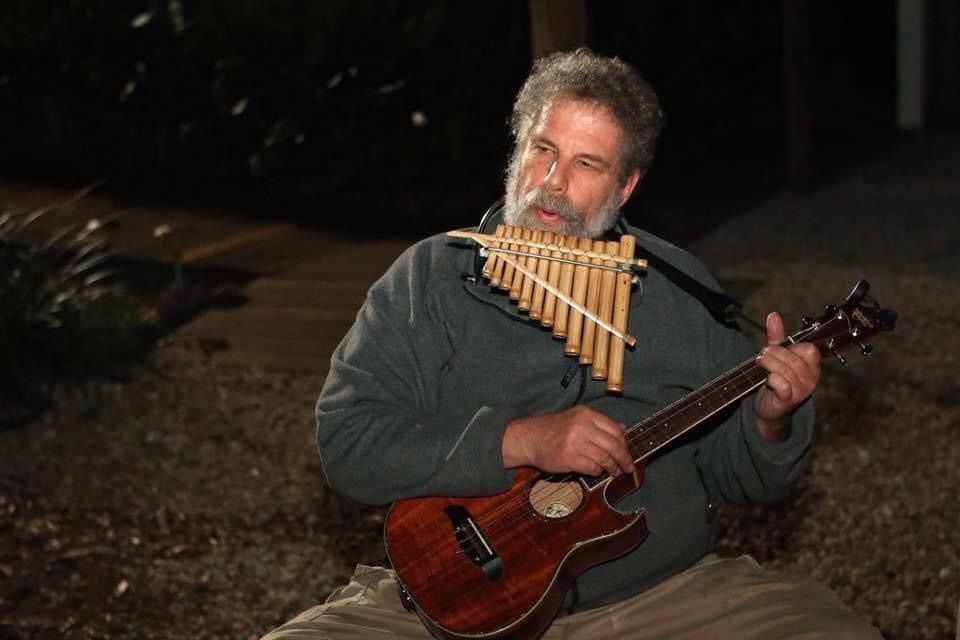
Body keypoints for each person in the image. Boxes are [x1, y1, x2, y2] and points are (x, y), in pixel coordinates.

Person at [261, 49, 882, 639]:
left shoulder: (678, 290)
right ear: (517, 149)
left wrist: (770, 419)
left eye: (587, 164)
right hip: (453, 600)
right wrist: (518, 439)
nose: (553, 182)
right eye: (543, 149)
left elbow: (744, 477)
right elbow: (348, 441)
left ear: (626, 186)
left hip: (656, 599)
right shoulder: (431, 276)